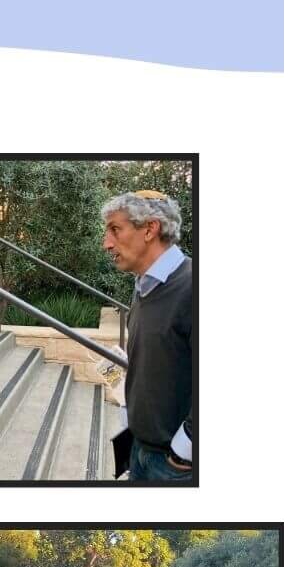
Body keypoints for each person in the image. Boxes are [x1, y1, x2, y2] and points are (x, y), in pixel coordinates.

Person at [102, 190, 197, 483]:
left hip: (173, 465)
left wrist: (185, 449)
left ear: (150, 229)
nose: (107, 244)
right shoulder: (143, 287)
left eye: (115, 230)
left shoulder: (192, 286)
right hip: (138, 448)